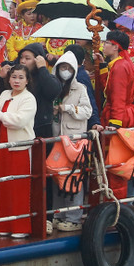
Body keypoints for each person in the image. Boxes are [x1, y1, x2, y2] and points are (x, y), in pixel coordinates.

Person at [0, 64, 36, 239]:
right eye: (14, 77)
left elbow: (19, 121)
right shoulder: (4, 94)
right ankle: (3, 224)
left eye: (21, 77)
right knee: (2, 188)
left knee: (18, 188)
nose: (16, 81)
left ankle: (20, 227)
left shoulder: (29, 98)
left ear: (27, 80)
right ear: (9, 79)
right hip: (2, 146)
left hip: (19, 148)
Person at [51, 51, 92, 232]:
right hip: (57, 139)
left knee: (75, 178)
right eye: (62, 67)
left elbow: (87, 111)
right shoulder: (53, 87)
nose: (65, 71)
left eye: (68, 68)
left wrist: (67, 108)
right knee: (58, 177)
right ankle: (58, 214)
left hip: (75, 141)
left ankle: (74, 217)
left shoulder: (80, 88)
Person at [16, 43, 61, 140]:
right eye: (21, 57)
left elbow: (52, 92)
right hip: (20, 126)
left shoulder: (45, 76)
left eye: (27, 58)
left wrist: (42, 68)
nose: (23, 61)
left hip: (41, 128)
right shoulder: (17, 78)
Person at [99, 31, 134, 129]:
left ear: (115, 47)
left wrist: (115, 122)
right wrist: (103, 66)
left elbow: (118, 96)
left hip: (119, 116)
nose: (103, 45)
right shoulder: (118, 64)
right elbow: (109, 89)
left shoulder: (120, 67)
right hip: (120, 112)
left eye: (107, 42)